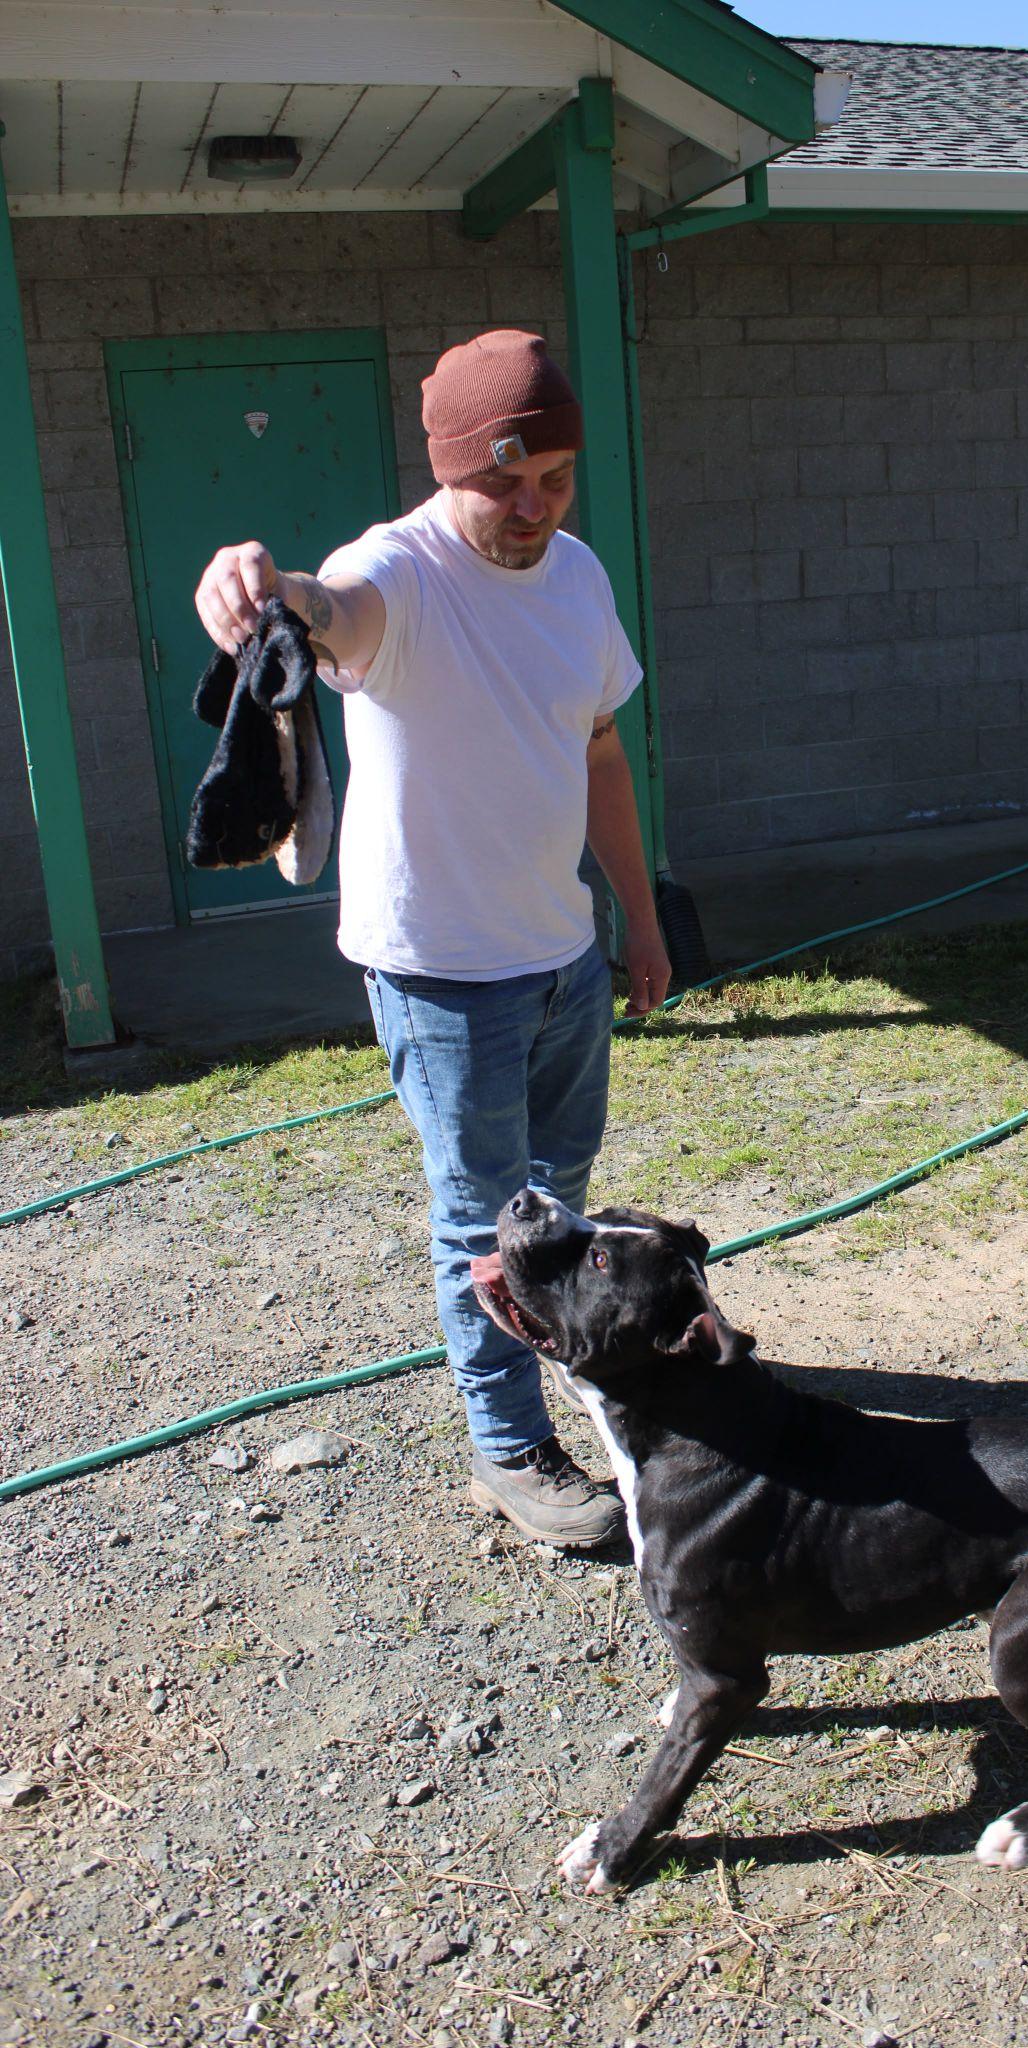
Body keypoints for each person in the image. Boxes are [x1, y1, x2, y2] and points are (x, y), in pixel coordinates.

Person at [194, 328, 672, 1550]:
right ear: (448, 466)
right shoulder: (396, 574)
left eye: (555, 477)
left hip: (561, 953)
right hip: (443, 974)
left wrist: (640, 915)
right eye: (502, 480)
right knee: (483, 1223)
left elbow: (600, 750)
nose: (531, 507)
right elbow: (328, 610)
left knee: (555, 1203)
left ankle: (556, 1365)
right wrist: (261, 589)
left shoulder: (576, 574)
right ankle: (509, 1450)